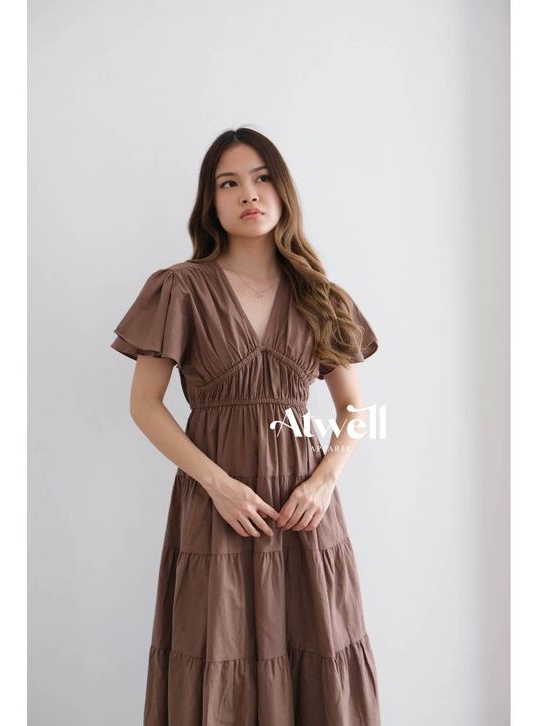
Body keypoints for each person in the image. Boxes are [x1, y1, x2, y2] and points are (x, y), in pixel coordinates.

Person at [111, 127, 381, 725]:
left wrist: (323, 482)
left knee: (316, 650)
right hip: (219, 507)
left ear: (283, 191)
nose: (248, 194)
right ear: (210, 202)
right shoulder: (180, 288)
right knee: (218, 651)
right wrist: (219, 485)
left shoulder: (320, 296)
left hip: (302, 509)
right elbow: (146, 405)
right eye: (228, 183)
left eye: (261, 179)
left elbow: (356, 411)